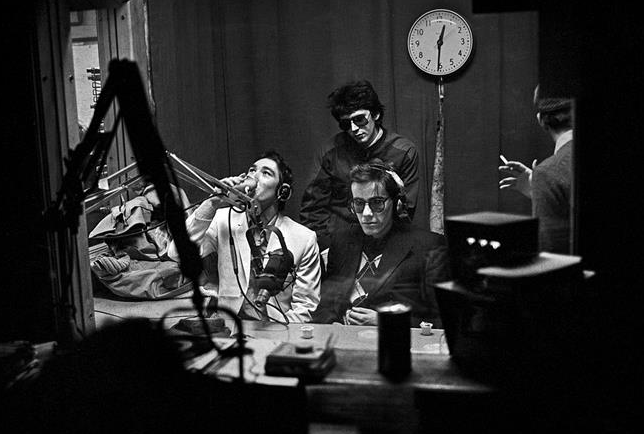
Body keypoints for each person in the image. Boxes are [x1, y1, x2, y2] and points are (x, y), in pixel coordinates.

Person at [168, 150, 321, 323]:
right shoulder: (223, 220)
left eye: (266, 173)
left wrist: (277, 334)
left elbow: (305, 309)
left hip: (275, 328)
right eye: (252, 170)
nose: (254, 176)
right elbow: (176, 253)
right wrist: (213, 203)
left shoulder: (303, 238)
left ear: (283, 192)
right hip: (229, 326)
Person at [312, 161, 448, 327]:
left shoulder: (429, 246)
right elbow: (325, 307)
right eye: (359, 204)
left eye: (377, 203)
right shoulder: (341, 241)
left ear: (397, 204)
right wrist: (334, 324)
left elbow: (443, 320)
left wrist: (385, 321)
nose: (367, 214)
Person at [300, 80, 420, 252]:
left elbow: (405, 213)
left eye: (359, 119)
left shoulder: (403, 152)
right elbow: (312, 210)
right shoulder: (330, 152)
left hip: (385, 244)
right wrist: (326, 249)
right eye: (346, 124)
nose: (354, 128)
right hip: (338, 245)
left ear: (376, 114)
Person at [499, 85, 573, 254]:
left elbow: (550, 253)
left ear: (540, 119)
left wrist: (545, 181)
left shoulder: (548, 173)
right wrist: (539, 191)